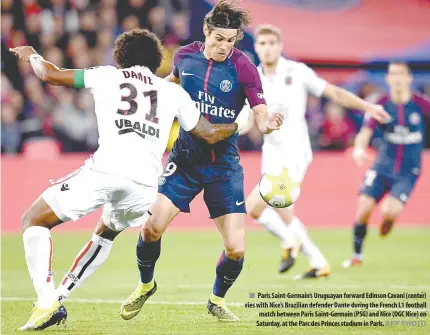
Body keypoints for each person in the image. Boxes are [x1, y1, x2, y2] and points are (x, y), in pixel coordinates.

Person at [10, 28, 249, 331]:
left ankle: (46, 301)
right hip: (145, 188)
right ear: (156, 59)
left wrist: (32, 55)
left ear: (120, 55)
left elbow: (50, 74)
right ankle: (60, 296)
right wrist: (241, 121)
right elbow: (209, 133)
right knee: (105, 233)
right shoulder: (173, 92)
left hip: (106, 171)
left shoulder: (107, 76)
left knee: (34, 219)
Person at [120, 1, 283, 322]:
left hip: (224, 167)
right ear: (207, 31)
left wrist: (268, 123)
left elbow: (260, 114)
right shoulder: (184, 56)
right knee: (151, 228)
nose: (224, 46)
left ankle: (216, 300)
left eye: (231, 40)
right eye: (219, 38)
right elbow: (173, 83)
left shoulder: (244, 67)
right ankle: (145, 285)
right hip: (184, 160)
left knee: (236, 249)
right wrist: (144, 92)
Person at [239, 24, 391, 279]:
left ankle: (291, 242)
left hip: (294, 152)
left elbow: (332, 92)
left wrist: (366, 106)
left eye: (271, 44)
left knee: (259, 206)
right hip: (271, 152)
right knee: (270, 211)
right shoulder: (252, 77)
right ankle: (318, 261)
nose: (267, 48)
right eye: (262, 44)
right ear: (256, 47)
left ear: (280, 46)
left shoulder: (296, 71)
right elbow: (247, 116)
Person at [343, 62, 430, 268]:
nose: (397, 79)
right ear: (388, 79)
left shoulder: (420, 103)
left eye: (401, 74)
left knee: (389, 213)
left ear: (409, 78)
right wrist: (359, 148)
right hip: (382, 166)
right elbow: (365, 132)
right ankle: (357, 256)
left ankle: (388, 221)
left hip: (408, 171)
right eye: (393, 74)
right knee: (363, 209)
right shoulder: (379, 103)